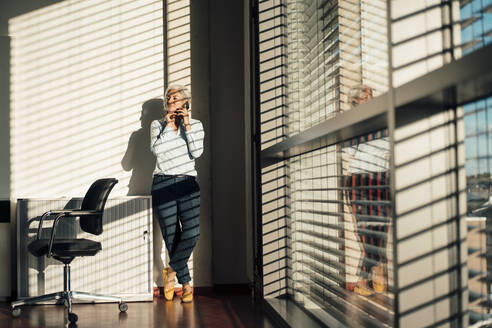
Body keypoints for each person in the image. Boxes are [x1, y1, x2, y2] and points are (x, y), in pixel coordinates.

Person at [150, 85, 204, 303]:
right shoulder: (157, 125)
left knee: (192, 232)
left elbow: (197, 152)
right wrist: (169, 125)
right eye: (168, 97)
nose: (171, 100)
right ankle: (187, 284)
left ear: (185, 102)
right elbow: (156, 150)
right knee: (171, 235)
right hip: (162, 182)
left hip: (187, 183)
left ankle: (171, 271)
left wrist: (187, 125)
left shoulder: (196, 125)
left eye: (175, 97)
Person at [342, 85, 390, 296]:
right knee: (364, 232)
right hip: (359, 180)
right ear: (355, 102)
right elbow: (349, 151)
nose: (368, 100)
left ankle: (371, 275)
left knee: (380, 232)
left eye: (370, 96)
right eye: (363, 98)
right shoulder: (355, 123)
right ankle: (368, 277)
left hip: (382, 179)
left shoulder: (385, 121)